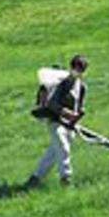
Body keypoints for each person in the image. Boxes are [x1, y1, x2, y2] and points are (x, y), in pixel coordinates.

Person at [26, 55, 88, 189]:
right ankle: (66, 178)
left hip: (70, 125)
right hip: (55, 120)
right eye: (76, 68)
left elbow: (80, 108)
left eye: (81, 69)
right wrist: (66, 113)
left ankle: (35, 178)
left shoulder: (82, 87)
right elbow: (51, 103)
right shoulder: (62, 83)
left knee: (53, 153)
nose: (78, 72)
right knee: (63, 146)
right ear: (71, 67)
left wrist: (76, 117)